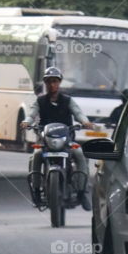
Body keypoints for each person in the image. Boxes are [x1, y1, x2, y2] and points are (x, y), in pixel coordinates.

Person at [24, 67, 91, 211]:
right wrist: (27, 122)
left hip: (66, 142)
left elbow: (78, 113)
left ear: (59, 83)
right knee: (35, 156)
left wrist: (85, 122)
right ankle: (36, 191)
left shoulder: (68, 100)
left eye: (54, 81)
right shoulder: (40, 101)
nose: (52, 85)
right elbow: (31, 114)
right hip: (45, 142)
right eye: (49, 82)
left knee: (79, 154)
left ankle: (82, 192)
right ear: (45, 83)